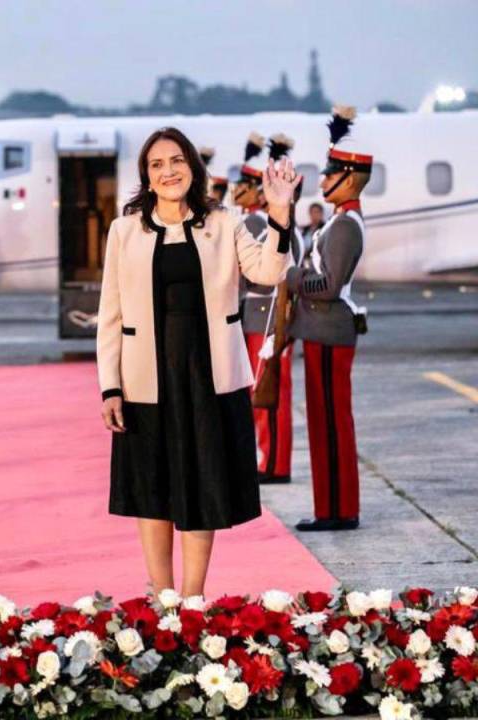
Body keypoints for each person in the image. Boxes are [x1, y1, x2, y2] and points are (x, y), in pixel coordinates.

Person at [97, 127, 298, 597]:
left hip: (209, 377)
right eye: (156, 164)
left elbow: (269, 272)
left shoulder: (224, 223)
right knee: (152, 488)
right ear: (146, 177)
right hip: (145, 377)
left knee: (201, 484)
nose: (168, 171)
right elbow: (111, 314)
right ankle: (161, 596)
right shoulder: (124, 230)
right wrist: (110, 386)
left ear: (193, 167)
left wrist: (280, 212)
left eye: (176, 161)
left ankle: (192, 598)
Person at [286, 105, 370, 532]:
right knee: (324, 422)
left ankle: (338, 510)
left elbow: (329, 285)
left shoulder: (345, 227)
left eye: (329, 174)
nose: (322, 182)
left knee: (331, 423)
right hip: (321, 329)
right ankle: (332, 507)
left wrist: (293, 278)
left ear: (348, 179)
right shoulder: (338, 222)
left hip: (328, 328)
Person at [242, 134, 303, 485]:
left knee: (271, 393)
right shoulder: (266, 224)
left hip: (270, 318)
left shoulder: (273, 227)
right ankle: (269, 458)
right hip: (261, 317)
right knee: (262, 394)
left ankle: (276, 464)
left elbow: (274, 274)